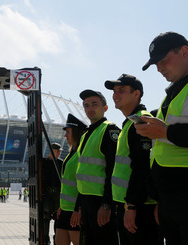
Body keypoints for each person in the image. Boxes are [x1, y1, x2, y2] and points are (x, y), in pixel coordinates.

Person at [136, 31, 188, 244]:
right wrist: (161, 200)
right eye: (156, 65)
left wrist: (165, 132)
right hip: (170, 201)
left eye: (164, 61)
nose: (159, 69)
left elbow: (168, 135)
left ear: (185, 52)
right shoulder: (172, 92)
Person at [105, 74, 159, 244]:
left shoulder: (140, 121)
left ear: (136, 94)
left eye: (121, 91)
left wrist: (132, 205)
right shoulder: (129, 123)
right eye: (114, 91)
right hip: (129, 204)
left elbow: (142, 168)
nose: (115, 95)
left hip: (138, 207)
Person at [76, 89, 121, 245]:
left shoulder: (109, 130)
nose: (90, 108)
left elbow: (113, 170)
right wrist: (79, 207)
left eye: (94, 104)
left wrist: (107, 204)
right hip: (87, 201)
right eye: (86, 105)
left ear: (105, 108)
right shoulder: (85, 135)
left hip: (101, 201)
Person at [56, 114, 87, 245]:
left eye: (68, 132)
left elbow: (83, 184)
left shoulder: (82, 154)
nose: (65, 136)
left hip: (75, 211)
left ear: (76, 133)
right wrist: (61, 206)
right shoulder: (71, 153)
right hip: (65, 209)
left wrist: (78, 209)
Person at [42, 142, 63, 245]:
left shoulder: (61, 163)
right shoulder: (43, 162)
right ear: (52, 151)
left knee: (57, 218)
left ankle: (57, 240)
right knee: (45, 218)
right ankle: (45, 240)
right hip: (46, 194)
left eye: (59, 151)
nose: (59, 153)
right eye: (57, 151)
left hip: (57, 194)